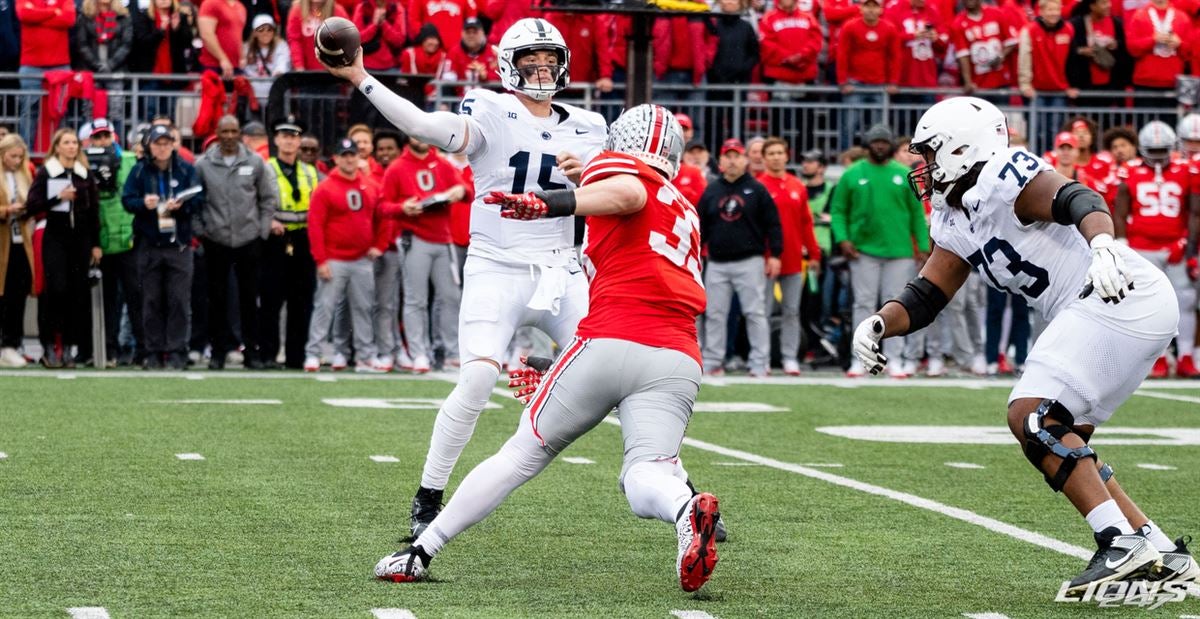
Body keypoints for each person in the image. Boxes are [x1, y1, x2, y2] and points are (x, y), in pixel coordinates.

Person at [853, 96, 1197, 594]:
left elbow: (1081, 199)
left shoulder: (1002, 176)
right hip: (1111, 306)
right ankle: (1158, 548)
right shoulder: (951, 214)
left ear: (960, 148)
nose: (922, 167)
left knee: (1031, 415)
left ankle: (1118, 543)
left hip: (1116, 291)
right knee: (1062, 434)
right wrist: (881, 323)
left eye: (930, 154)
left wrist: (1102, 247)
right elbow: (928, 294)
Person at [373, 105, 721, 594]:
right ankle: (685, 509)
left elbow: (627, 191)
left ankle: (420, 550)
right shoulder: (684, 205)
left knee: (521, 454)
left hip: (611, 335)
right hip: (678, 354)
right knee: (647, 471)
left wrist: (551, 203)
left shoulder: (619, 170)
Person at [322, 17, 607, 539]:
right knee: (477, 376)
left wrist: (588, 173)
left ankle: (679, 492)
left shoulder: (590, 125)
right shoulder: (490, 108)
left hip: (563, 269)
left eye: (549, 59)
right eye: (530, 60)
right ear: (509, 65)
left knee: (623, 369)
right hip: (498, 265)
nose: (541, 68)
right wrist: (362, 77)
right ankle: (429, 494)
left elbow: (619, 194)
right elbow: (426, 127)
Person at [831, 123, 930, 377]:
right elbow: (839, 211)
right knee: (862, 305)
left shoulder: (903, 173)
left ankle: (894, 359)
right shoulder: (852, 174)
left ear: (891, 146)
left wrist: (922, 246)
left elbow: (916, 215)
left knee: (896, 306)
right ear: (868, 145)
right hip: (863, 250)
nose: (879, 146)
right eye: (875, 141)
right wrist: (843, 239)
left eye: (884, 142)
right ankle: (861, 360)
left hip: (900, 252)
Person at [1112, 121, 1198, 379]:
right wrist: (1123, 244)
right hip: (1141, 247)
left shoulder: (1188, 169)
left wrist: (1187, 245)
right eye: (1154, 149)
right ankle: (1157, 359)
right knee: (1149, 307)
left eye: (1163, 149)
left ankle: (1184, 357)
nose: (1158, 155)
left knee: (1186, 301)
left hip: (1174, 246)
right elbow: (1120, 210)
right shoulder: (1130, 171)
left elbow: (1194, 212)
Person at [194, 115, 279, 369]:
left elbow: (267, 198)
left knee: (249, 299)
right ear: (217, 133)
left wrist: (261, 231)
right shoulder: (203, 165)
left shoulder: (254, 162)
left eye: (234, 131)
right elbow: (197, 201)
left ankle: (251, 352)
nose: (229, 136)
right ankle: (218, 352)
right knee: (217, 299)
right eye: (225, 131)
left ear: (240, 133)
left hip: (248, 238)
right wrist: (202, 230)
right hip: (216, 239)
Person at [381, 136, 468, 372]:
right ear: (408, 136)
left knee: (451, 297)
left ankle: (452, 352)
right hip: (414, 238)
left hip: (444, 238)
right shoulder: (397, 167)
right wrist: (402, 208)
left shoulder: (442, 164)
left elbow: (466, 189)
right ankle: (419, 352)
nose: (419, 138)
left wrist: (459, 190)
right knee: (415, 299)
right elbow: (383, 206)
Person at [697, 138, 782, 377]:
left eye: (736, 156)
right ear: (721, 161)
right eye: (728, 156)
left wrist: (775, 254)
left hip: (750, 261)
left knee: (755, 313)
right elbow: (700, 225)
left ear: (744, 159)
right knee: (714, 313)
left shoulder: (757, 189)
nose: (732, 161)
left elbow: (773, 225)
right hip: (717, 262)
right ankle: (713, 361)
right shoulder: (712, 190)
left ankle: (759, 362)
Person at [301, 138, 388, 373]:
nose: (349, 159)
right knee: (324, 308)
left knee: (363, 308)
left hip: (362, 259)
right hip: (335, 259)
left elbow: (383, 216)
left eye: (352, 154)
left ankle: (365, 356)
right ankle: (313, 354)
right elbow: (315, 226)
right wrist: (321, 260)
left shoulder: (370, 185)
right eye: (344, 155)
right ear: (336, 159)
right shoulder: (325, 188)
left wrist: (379, 244)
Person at [122, 125, 203, 370]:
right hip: (150, 243)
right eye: (158, 143)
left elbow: (199, 199)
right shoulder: (138, 171)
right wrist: (143, 204)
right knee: (151, 300)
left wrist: (182, 206)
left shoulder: (186, 170)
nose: (162, 147)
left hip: (178, 244)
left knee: (179, 300)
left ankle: (177, 350)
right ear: (150, 146)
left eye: (167, 143)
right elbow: (127, 200)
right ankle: (153, 351)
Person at [25, 128, 102, 368]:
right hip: (55, 237)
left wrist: (96, 243)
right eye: (66, 143)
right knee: (54, 290)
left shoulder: (84, 173)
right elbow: (32, 205)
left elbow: (93, 212)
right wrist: (58, 198)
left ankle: (69, 347)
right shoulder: (47, 172)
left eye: (74, 143)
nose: (71, 147)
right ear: (57, 147)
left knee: (76, 293)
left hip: (80, 239)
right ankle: (49, 345)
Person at [757, 137, 821, 375]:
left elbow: (806, 223)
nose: (775, 157)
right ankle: (761, 357)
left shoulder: (797, 186)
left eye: (779, 153)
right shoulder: (758, 186)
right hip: (766, 259)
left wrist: (813, 252)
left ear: (786, 156)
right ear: (764, 158)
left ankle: (789, 357)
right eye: (771, 153)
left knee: (792, 310)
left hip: (794, 258)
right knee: (762, 310)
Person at [260, 116, 319, 370]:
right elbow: (257, 201)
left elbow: (318, 205)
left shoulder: (309, 171)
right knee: (271, 299)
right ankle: (268, 354)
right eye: (284, 136)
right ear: (276, 140)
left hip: (303, 237)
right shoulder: (266, 168)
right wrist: (268, 222)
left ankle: (296, 356)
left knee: (301, 300)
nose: (289, 141)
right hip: (276, 238)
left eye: (294, 136)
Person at [88, 118, 142, 367]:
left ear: (114, 137)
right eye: (97, 138)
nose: (102, 142)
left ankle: (142, 350)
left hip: (130, 239)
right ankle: (107, 349)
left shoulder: (131, 160)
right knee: (108, 300)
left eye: (105, 136)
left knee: (136, 296)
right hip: (104, 241)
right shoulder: (87, 163)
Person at [0, 135, 34, 367]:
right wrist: (5, 210)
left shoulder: (25, 175)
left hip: (20, 239)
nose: (16, 160)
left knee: (17, 291)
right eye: (13, 156)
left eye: (20, 157)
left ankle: (12, 343)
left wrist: (24, 210)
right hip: (2, 238)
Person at [243, 14, 291, 101]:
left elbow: (283, 62)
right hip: (253, 96)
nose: (266, 33)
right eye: (261, 30)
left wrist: (279, 71)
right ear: (254, 32)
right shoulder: (246, 49)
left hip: (274, 94)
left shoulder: (281, 46)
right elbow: (244, 69)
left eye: (269, 30)